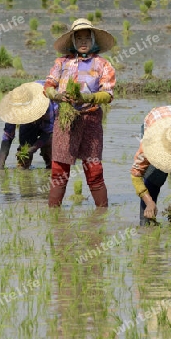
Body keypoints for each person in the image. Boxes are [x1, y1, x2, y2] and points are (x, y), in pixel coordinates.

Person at [44, 18, 116, 208]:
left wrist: (87, 98)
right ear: (73, 41)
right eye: (79, 38)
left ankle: (102, 213)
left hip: (90, 119)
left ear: (93, 40)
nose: (83, 42)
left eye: (87, 38)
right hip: (66, 120)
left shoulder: (102, 64)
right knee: (59, 168)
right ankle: (54, 214)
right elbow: (49, 86)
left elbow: (108, 94)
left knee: (93, 168)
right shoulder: (62, 63)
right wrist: (57, 96)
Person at [0, 81, 57, 170]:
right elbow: (7, 136)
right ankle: (24, 170)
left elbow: (48, 132)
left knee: (49, 149)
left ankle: (50, 167)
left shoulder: (45, 104)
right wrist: (0, 167)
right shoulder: (13, 110)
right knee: (24, 152)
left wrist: (33, 149)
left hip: (51, 116)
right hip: (30, 123)